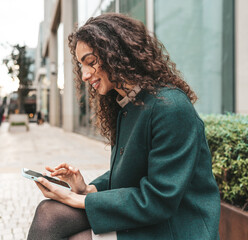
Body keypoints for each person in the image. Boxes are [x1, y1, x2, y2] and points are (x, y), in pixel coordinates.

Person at [27, 13, 221, 240]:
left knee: (55, 219)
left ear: (117, 54)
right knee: (49, 213)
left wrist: (77, 199)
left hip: (177, 227)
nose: (85, 75)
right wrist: (88, 188)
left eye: (91, 62)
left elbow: (159, 199)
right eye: (81, 66)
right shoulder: (129, 104)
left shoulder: (170, 107)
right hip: (151, 217)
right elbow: (131, 172)